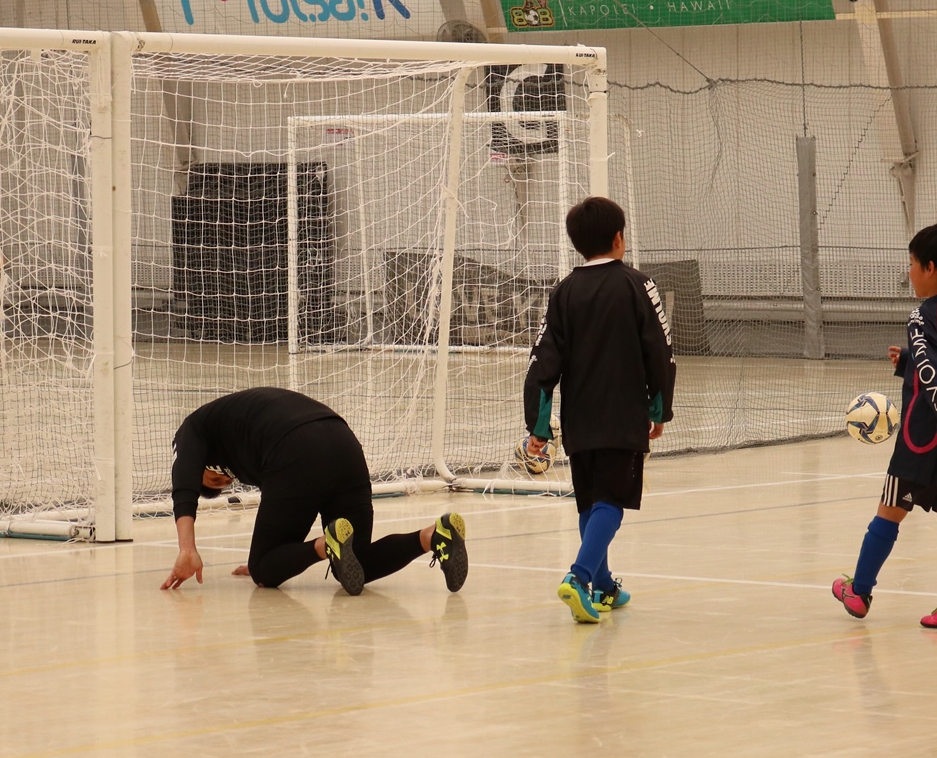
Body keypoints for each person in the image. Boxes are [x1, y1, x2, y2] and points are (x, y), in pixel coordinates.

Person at [523, 196, 675, 624]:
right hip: (622, 417)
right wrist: (659, 409)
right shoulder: (638, 285)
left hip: (579, 422)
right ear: (619, 238)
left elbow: (542, 363)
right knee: (611, 502)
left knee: (590, 503)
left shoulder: (563, 292)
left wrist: (539, 426)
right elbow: (660, 351)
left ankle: (604, 586)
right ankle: (580, 577)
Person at [160, 387, 468, 597]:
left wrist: (188, 549)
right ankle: (433, 536)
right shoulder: (241, 437)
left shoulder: (193, 429)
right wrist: (280, 556)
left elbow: (183, 487)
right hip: (344, 443)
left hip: (297, 446)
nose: (224, 480)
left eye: (216, 479)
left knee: (263, 572)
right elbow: (285, 512)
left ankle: (326, 544)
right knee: (357, 561)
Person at [832, 221, 937, 629]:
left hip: (923, 438)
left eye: (912, 264)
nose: (910, 272)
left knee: (889, 511)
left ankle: (859, 590)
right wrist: (908, 361)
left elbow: (935, 373)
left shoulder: (922, 316)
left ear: (930, 268)